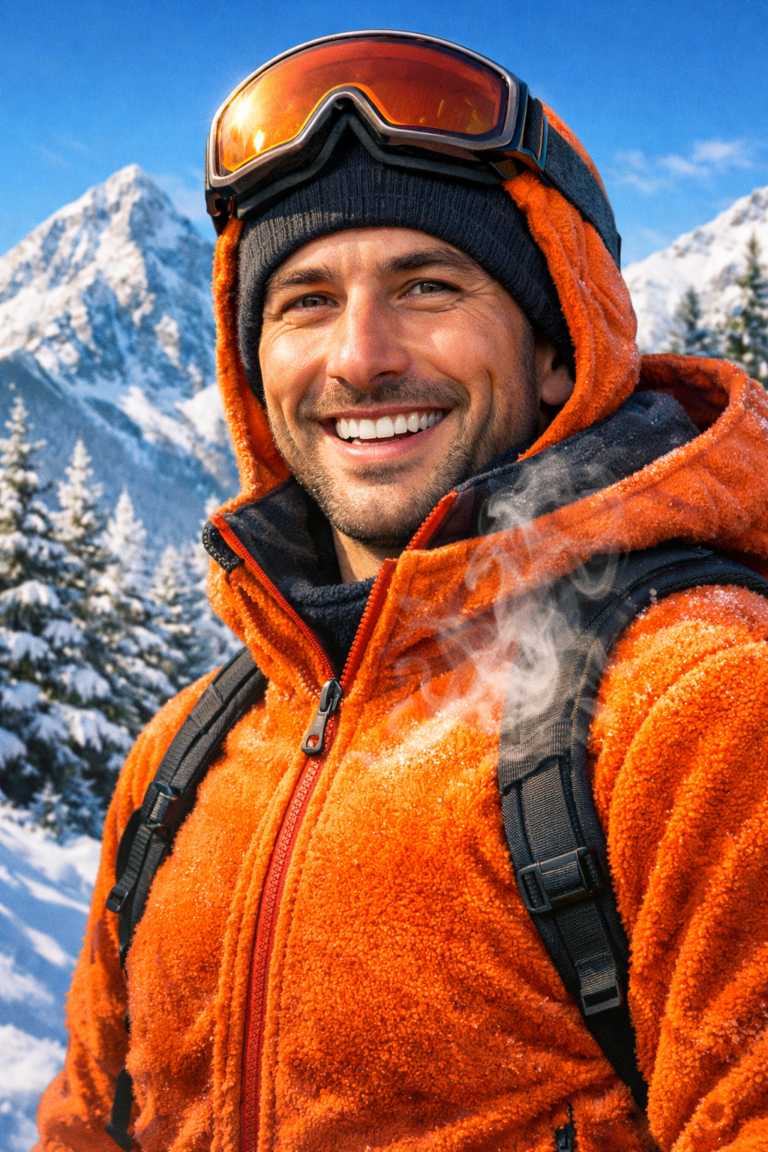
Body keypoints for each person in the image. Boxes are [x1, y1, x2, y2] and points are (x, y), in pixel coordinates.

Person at [36, 31, 768, 1152]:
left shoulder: (700, 704)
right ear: (252, 369)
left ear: (557, 351)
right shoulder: (184, 754)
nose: (362, 357)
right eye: (306, 301)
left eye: (427, 285)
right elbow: (90, 1123)